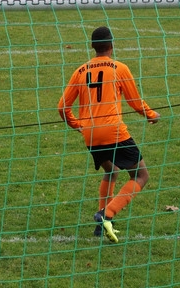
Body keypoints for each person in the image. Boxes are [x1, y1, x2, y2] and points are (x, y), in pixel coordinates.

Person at [57, 26, 160, 244]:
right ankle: (106, 214)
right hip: (114, 132)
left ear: (93, 47)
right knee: (141, 176)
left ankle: (100, 225)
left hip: (91, 135)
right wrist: (151, 114)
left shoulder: (80, 71)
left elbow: (62, 107)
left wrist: (78, 125)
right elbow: (134, 102)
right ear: (112, 45)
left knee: (111, 171)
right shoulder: (119, 68)